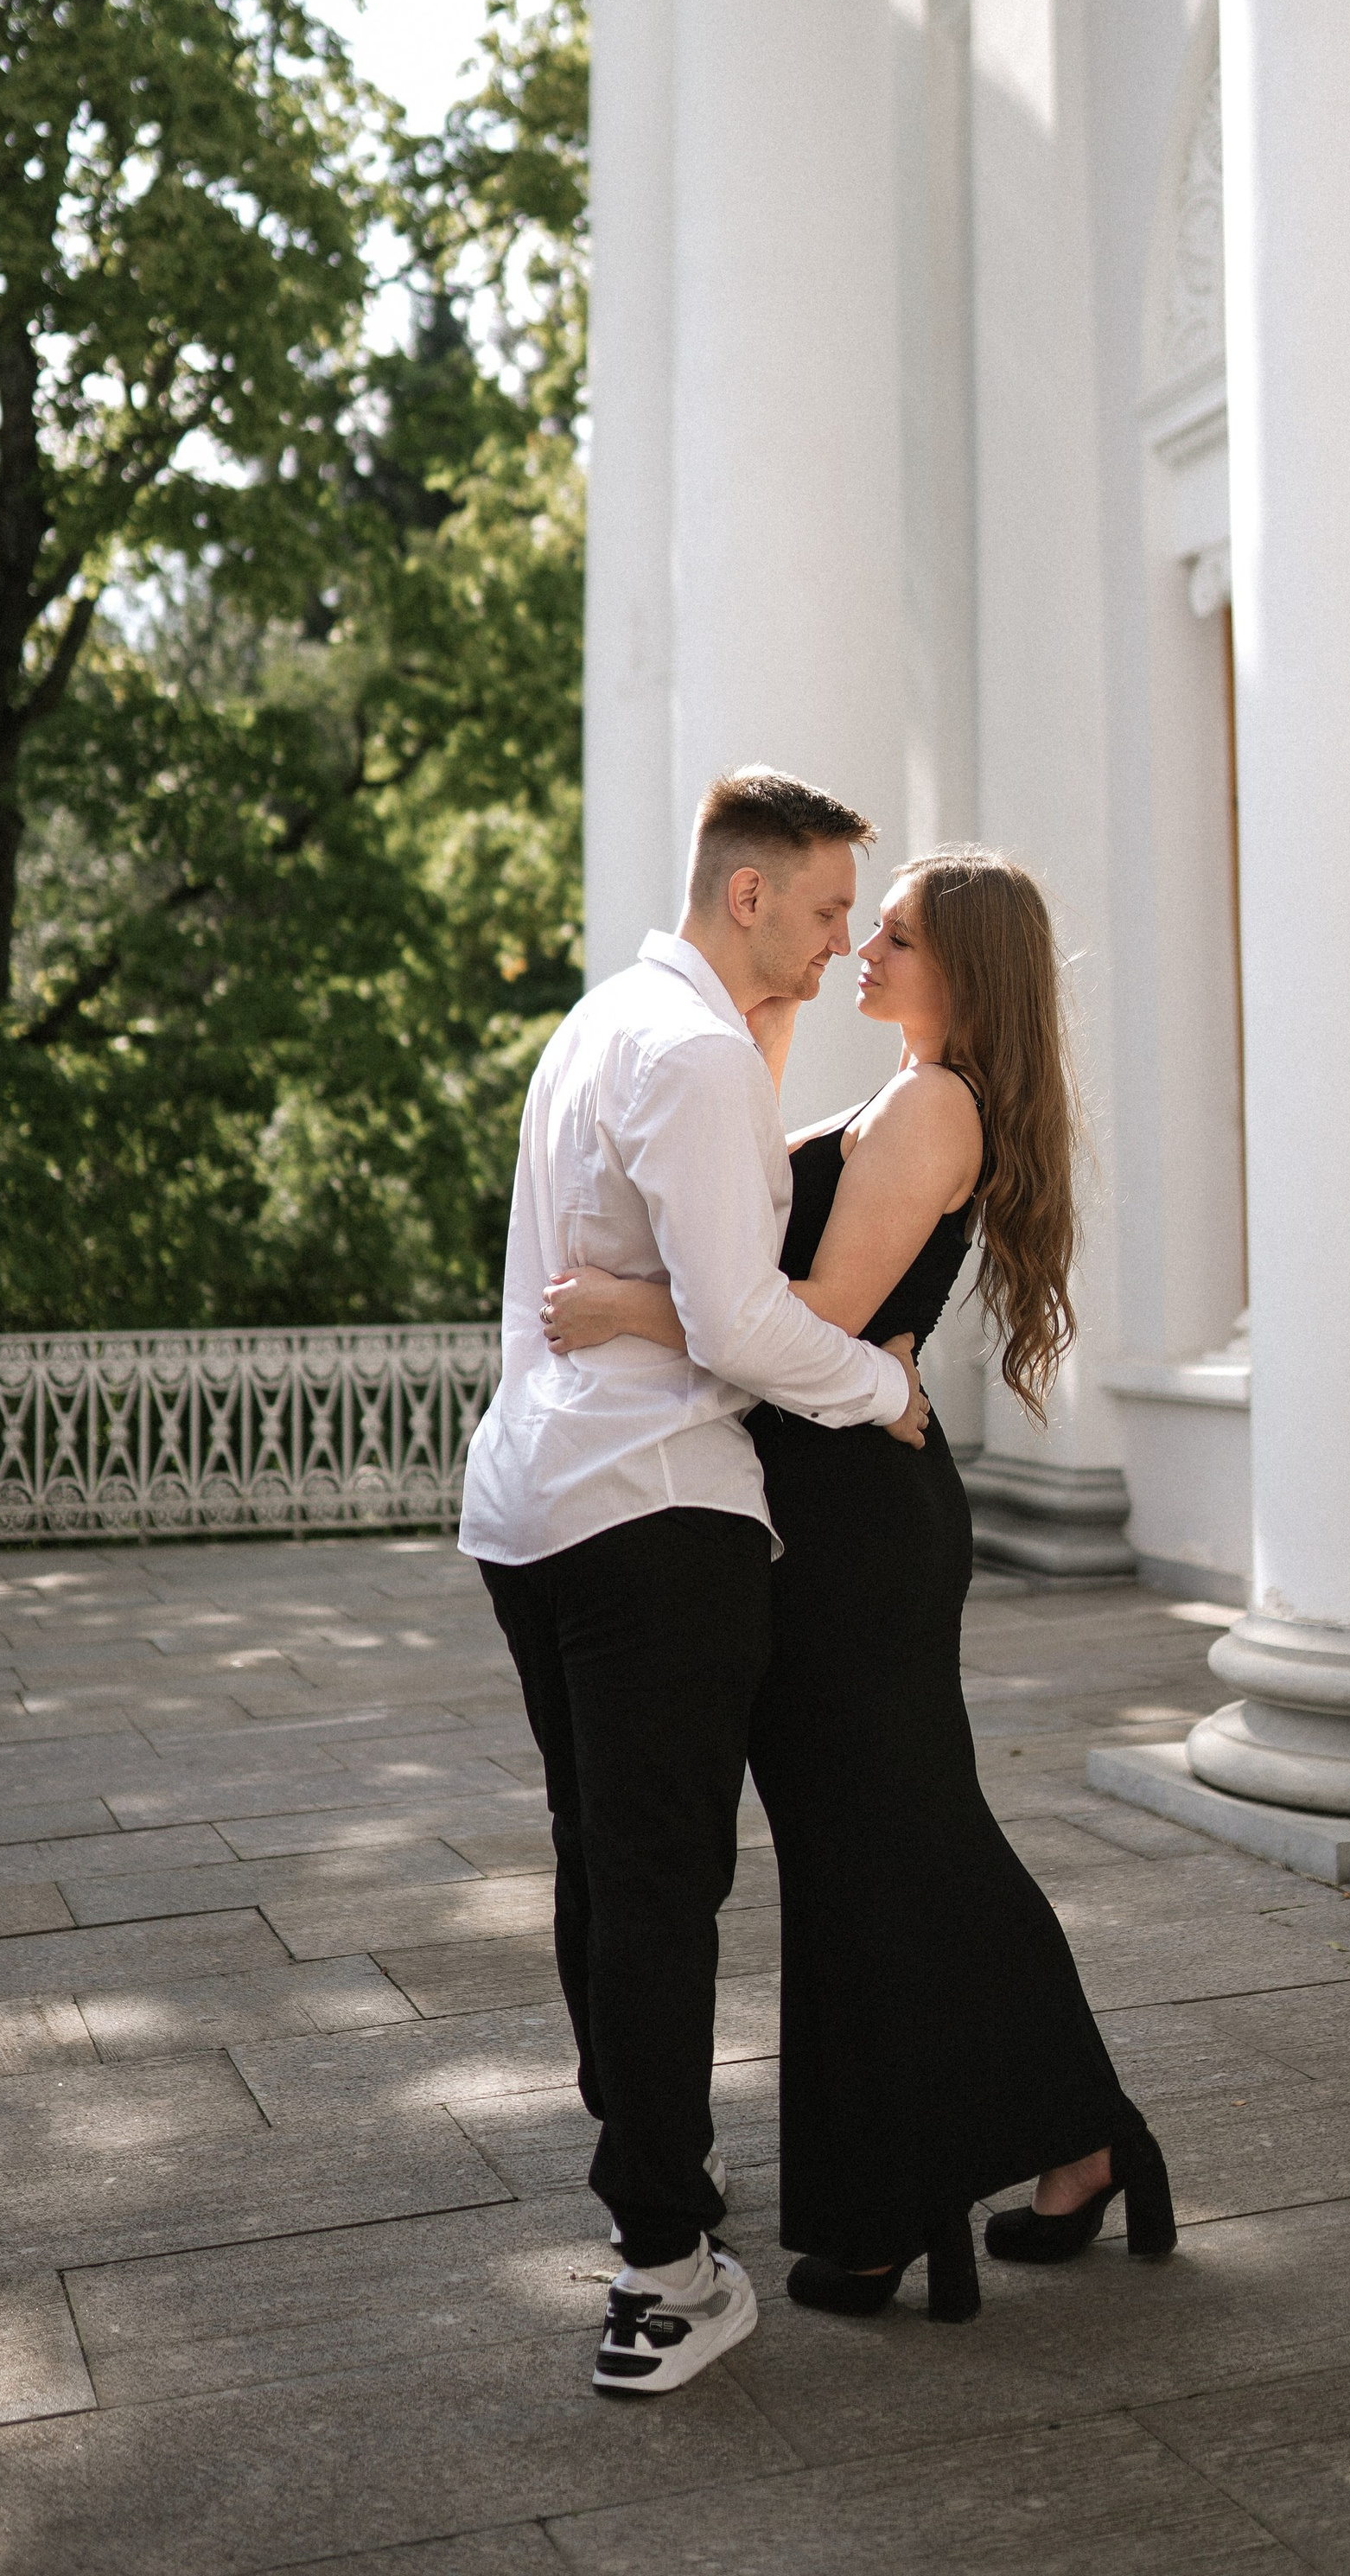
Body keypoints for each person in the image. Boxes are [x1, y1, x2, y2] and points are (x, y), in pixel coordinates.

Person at [543, 845, 1175, 2322]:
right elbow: (762, 1224)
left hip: (858, 1528)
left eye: (891, 934)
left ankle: (919, 2194)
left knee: (891, 1849)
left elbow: (808, 1316)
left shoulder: (934, 1103)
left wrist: (623, 1305)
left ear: (965, 969)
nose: (862, 951)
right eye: (862, 926)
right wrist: (758, 1012)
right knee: (877, 1849)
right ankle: (1055, 2145)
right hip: (823, 1502)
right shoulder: (904, 1093)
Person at [462, 766, 935, 2400]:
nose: (838, 946)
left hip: (532, 1505)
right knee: (661, 1892)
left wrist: (768, 1026)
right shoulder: (698, 1054)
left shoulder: (604, 1024)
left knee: (603, 1875)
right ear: (749, 894)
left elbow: (661, 1267)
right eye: (822, 911)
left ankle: (652, 2183)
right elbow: (740, 1321)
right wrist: (882, 1390)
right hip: (657, 1511)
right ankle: (663, 2275)